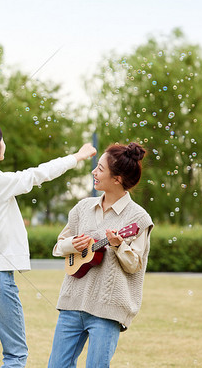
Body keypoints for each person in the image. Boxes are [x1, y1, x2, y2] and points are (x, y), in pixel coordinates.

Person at [0, 122, 97, 368]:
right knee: (15, 355)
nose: (4, 144)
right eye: (1, 140)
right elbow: (38, 173)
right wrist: (77, 157)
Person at [48, 142, 154, 368]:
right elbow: (59, 246)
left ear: (117, 179)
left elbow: (135, 265)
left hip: (107, 311)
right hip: (72, 304)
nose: (93, 172)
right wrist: (73, 245)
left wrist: (118, 245)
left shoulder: (138, 218)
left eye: (100, 169)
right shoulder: (82, 208)